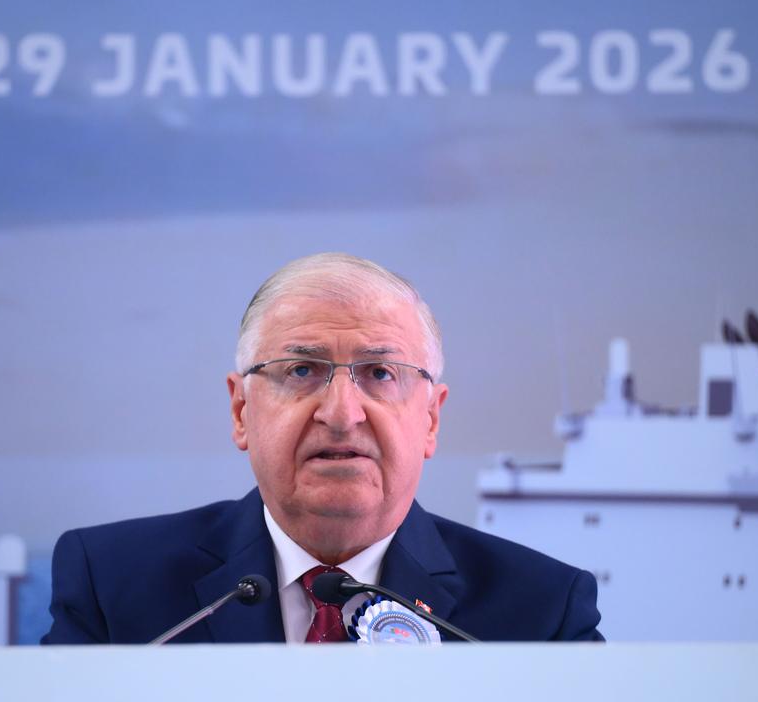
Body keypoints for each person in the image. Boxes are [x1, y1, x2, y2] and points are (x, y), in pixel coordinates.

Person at [42, 253, 603, 644]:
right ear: (241, 410)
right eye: (301, 370)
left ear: (431, 418)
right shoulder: (112, 584)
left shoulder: (541, 612)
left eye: (380, 373)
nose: (341, 413)